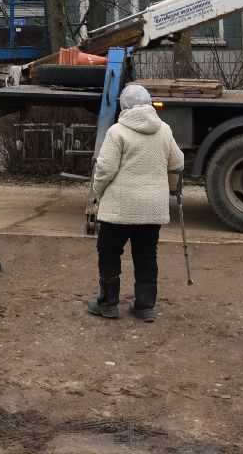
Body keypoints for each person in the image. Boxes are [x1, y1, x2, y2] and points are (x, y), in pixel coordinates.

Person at [85, 84, 184, 322]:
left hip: (120, 208)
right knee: (146, 254)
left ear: (123, 106)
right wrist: (172, 188)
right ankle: (145, 306)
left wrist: (95, 194)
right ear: (149, 103)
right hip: (153, 209)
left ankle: (108, 304)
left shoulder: (117, 131)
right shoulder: (164, 129)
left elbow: (105, 169)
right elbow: (177, 162)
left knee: (109, 251)